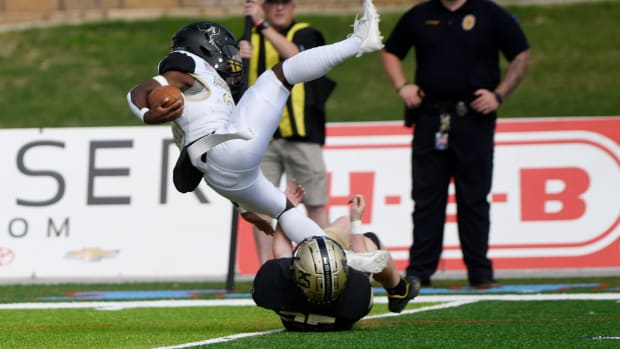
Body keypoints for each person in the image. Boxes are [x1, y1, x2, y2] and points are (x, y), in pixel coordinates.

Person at [126, 0, 384, 262]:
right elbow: (138, 91)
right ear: (204, 46)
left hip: (222, 172)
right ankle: (359, 41)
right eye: (226, 50)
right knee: (278, 76)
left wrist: (244, 207)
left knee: (286, 210)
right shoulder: (186, 64)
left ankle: (343, 259)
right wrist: (146, 112)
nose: (232, 58)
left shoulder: (209, 86)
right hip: (225, 149)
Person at [381, 0, 530, 288]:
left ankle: (480, 272)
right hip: (430, 117)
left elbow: (520, 54)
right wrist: (403, 86)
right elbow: (391, 52)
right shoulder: (420, 15)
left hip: (474, 118)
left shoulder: (489, 13)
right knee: (426, 198)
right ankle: (419, 272)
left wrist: (499, 95)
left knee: (474, 197)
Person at [240, 0, 335, 264]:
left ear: (294, 7)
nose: (279, 8)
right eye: (272, 3)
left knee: (314, 201)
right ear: (264, 6)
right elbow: (232, 83)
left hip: (302, 135)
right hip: (260, 139)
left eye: (285, 3)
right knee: (261, 208)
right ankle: (266, 267)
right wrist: (237, 58)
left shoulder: (306, 33)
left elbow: (296, 57)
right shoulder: (248, 40)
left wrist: (261, 23)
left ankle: (326, 260)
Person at [252, 193, 421, 331]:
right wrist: (356, 219)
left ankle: (398, 289)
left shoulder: (273, 283)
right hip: (338, 317)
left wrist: (285, 212)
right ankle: (398, 289)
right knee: (370, 241)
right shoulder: (356, 297)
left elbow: (282, 252)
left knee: (341, 226)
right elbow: (364, 262)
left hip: (293, 321)